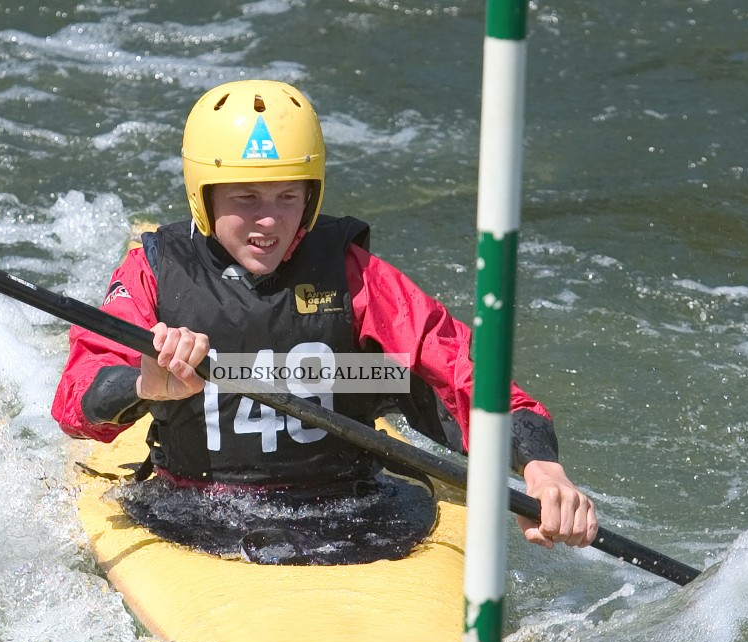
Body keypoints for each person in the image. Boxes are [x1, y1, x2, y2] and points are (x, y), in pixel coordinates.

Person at [52, 79, 597, 561]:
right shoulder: (154, 270)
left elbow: (462, 366)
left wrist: (539, 467)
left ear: (311, 196)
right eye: (245, 197)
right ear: (204, 196)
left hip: (351, 510)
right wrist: (146, 385)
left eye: (288, 196)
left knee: (398, 377)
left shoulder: (353, 274)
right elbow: (77, 402)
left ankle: (390, 393)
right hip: (193, 507)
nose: (269, 221)